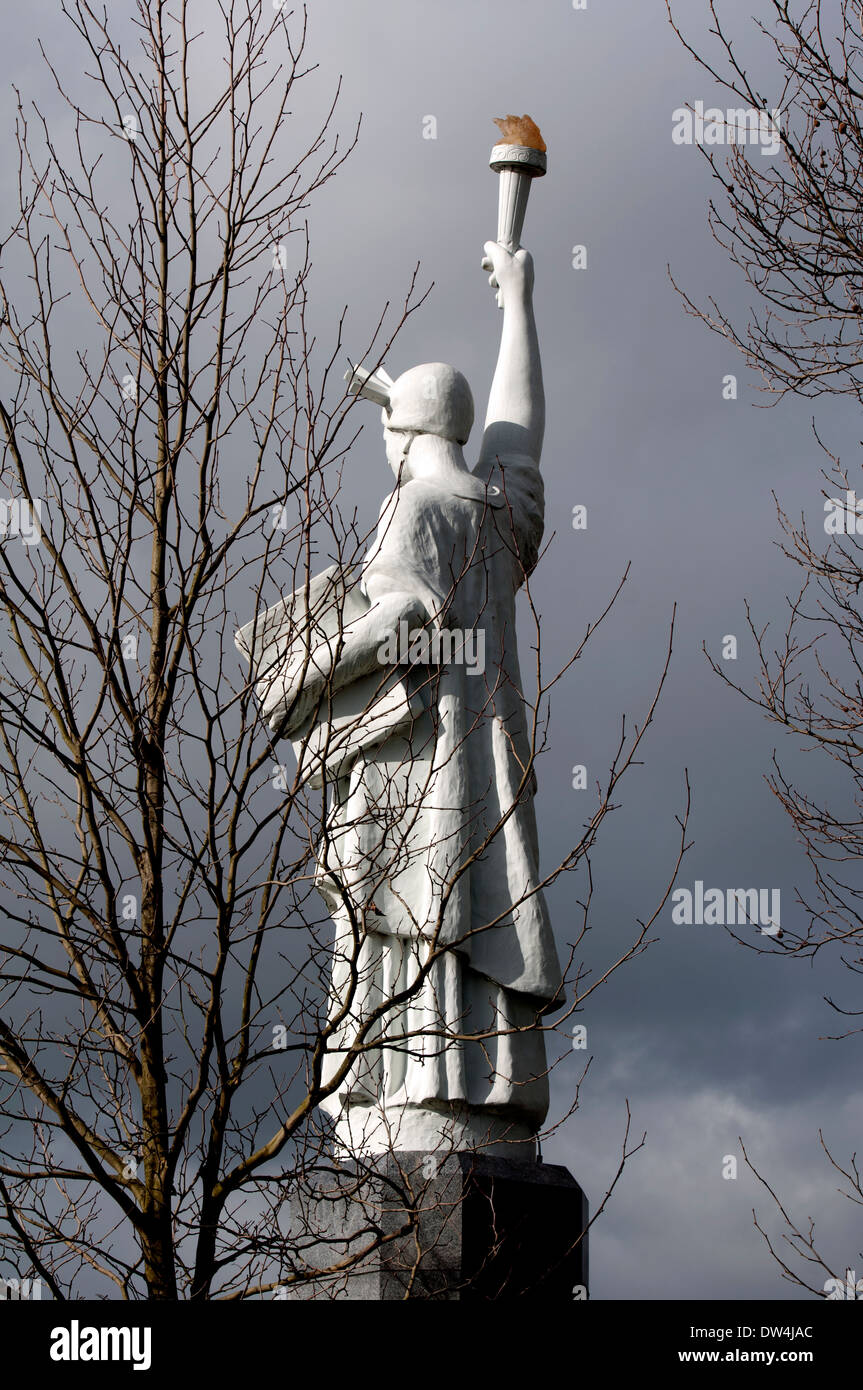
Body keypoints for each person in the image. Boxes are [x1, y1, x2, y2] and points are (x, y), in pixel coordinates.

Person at [262, 241, 563, 1157]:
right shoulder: (499, 516)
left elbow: (406, 613)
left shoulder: (415, 512)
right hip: (485, 773)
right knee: (468, 913)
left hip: (413, 778)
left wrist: (304, 664)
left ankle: (408, 1088)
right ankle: (478, 1087)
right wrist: (518, 301)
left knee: (407, 918)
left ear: (401, 433)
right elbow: (517, 431)